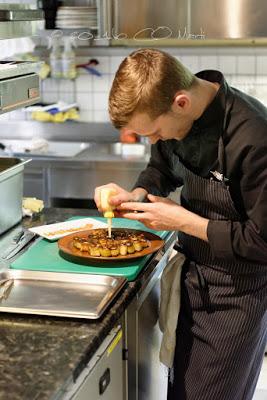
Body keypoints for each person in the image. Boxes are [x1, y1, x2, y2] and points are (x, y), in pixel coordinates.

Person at [94, 48, 267, 400]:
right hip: (194, 284)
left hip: (238, 297)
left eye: (154, 132)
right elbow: (161, 168)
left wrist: (185, 222)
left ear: (181, 102)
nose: (154, 141)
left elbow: (261, 242)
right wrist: (137, 194)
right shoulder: (176, 121)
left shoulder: (254, 137)